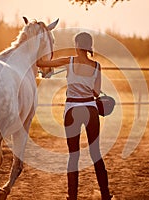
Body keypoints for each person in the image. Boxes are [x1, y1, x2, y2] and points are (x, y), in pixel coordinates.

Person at [37, 32, 112, 200]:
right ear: (89, 46)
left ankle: (72, 197)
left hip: (72, 110)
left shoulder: (69, 60)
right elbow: (96, 92)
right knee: (95, 153)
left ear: (77, 45)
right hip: (91, 110)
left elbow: (41, 63)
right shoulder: (97, 66)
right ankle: (106, 195)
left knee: (74, 155)